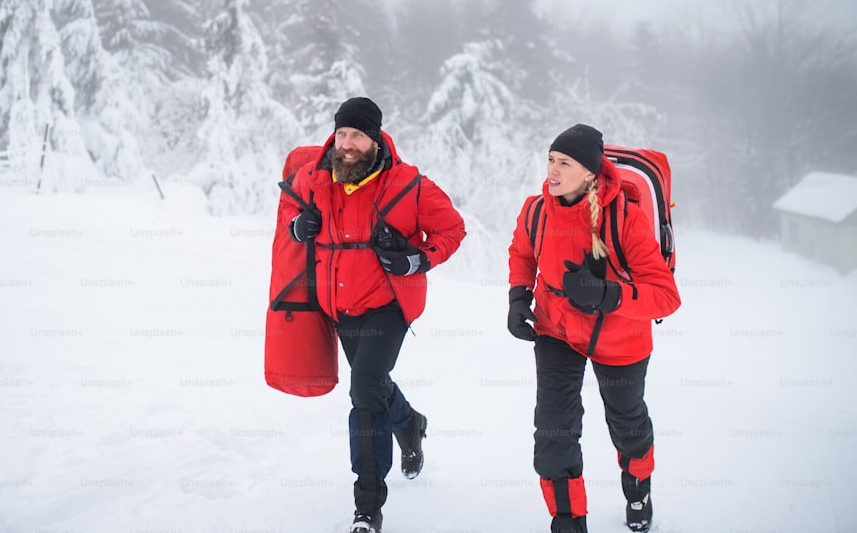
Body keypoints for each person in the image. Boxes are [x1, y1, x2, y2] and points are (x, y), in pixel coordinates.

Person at [281, 97, 466, 533]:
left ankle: (368, 504)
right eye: (342, 133)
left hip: (387, 306)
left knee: (364, 390)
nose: (347, 144)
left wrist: (417, 260)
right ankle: (410, 425)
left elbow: (452, 229)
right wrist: (297, 226)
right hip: (339, 307)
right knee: (375, 386)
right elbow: (289, 205)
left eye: (357, 135)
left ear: (375, 138)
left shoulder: (407, 184)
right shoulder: (316, 177)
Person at [506, 124, 681, 533]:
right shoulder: (535, 210)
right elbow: (521, 251)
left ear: (589, 172)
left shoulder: (626, 219)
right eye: (550, 159)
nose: (552, 169)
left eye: (564, 162)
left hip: (620, 337)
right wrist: (517, 297)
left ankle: (637, 489)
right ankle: (568, 522)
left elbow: (666, 296)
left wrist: (607, 294)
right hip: (557, 330)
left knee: (628, 424)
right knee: (553, 430)